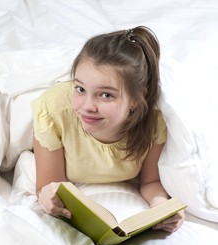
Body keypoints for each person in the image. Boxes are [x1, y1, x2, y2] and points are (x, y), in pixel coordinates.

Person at [31, 26, 185, 233]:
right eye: (80, 89)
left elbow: (150, 181)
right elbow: (49, 185)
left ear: (136, 99)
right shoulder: (53, 111)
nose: (87, 106)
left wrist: (161, 207)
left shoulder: (153, 123)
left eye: (106, 95)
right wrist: (48, 195)